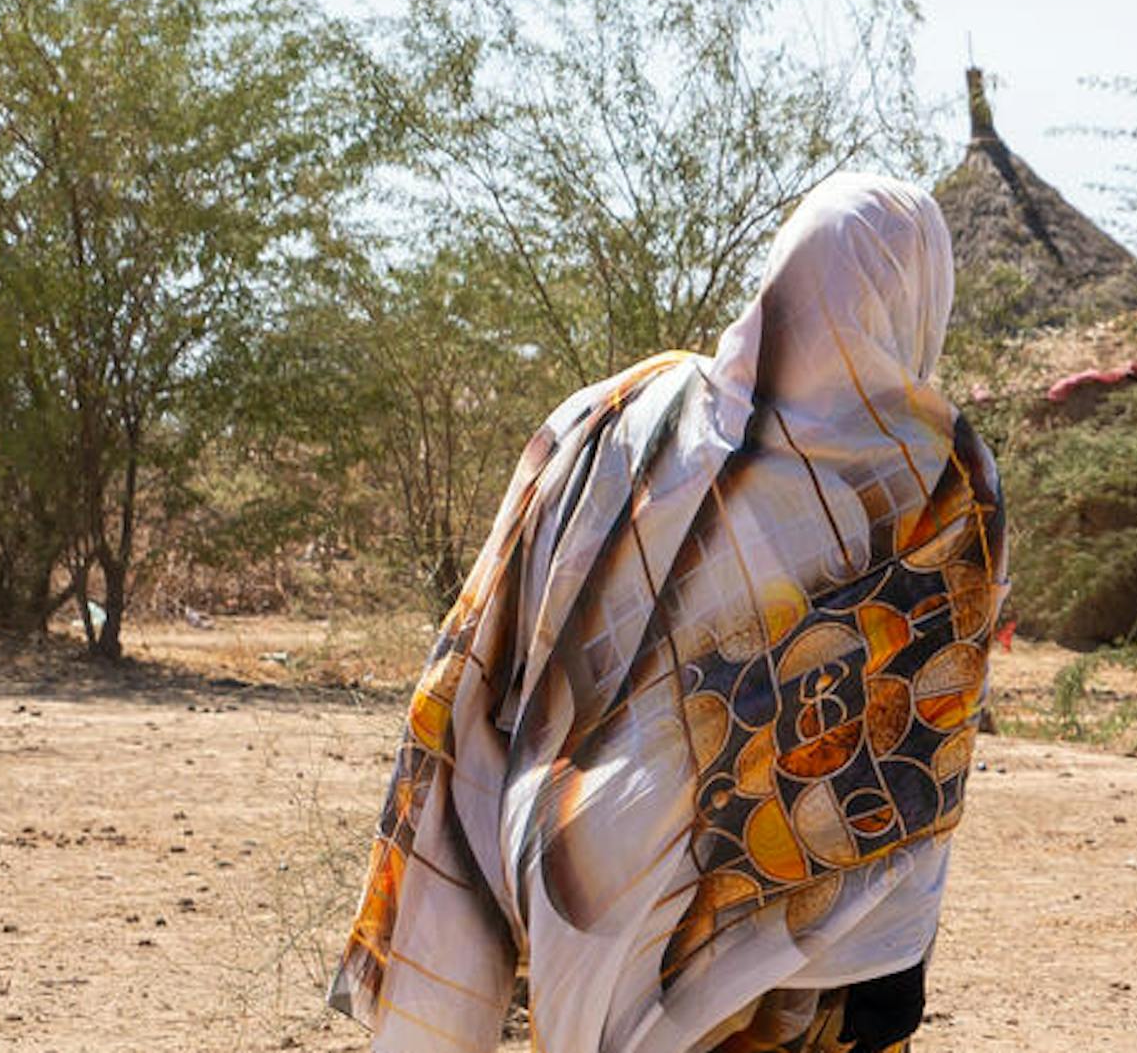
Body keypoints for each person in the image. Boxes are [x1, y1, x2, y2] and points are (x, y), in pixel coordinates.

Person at [333, 174, 1006, 1053]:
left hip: (573, 870)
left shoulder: (613, 413)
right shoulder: (936, 478)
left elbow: (488, 643)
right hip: (764, 933)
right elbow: (913, 749)